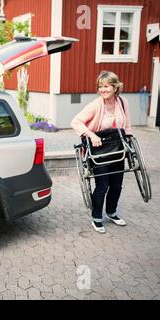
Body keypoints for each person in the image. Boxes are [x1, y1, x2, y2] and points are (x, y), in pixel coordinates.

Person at [71, 71, 133, 234]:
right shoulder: (96, 105)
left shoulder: (123, 102)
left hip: (118, 147)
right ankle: (97, 218)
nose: (102, 90)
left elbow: (127, 125)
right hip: (99, 149)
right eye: (100, 87)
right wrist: (91, 135)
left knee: (117, 185)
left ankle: (111, 212)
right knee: (102, 186)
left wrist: (129, 143)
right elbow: (76, 121)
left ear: (115, 87)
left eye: (106, 86)